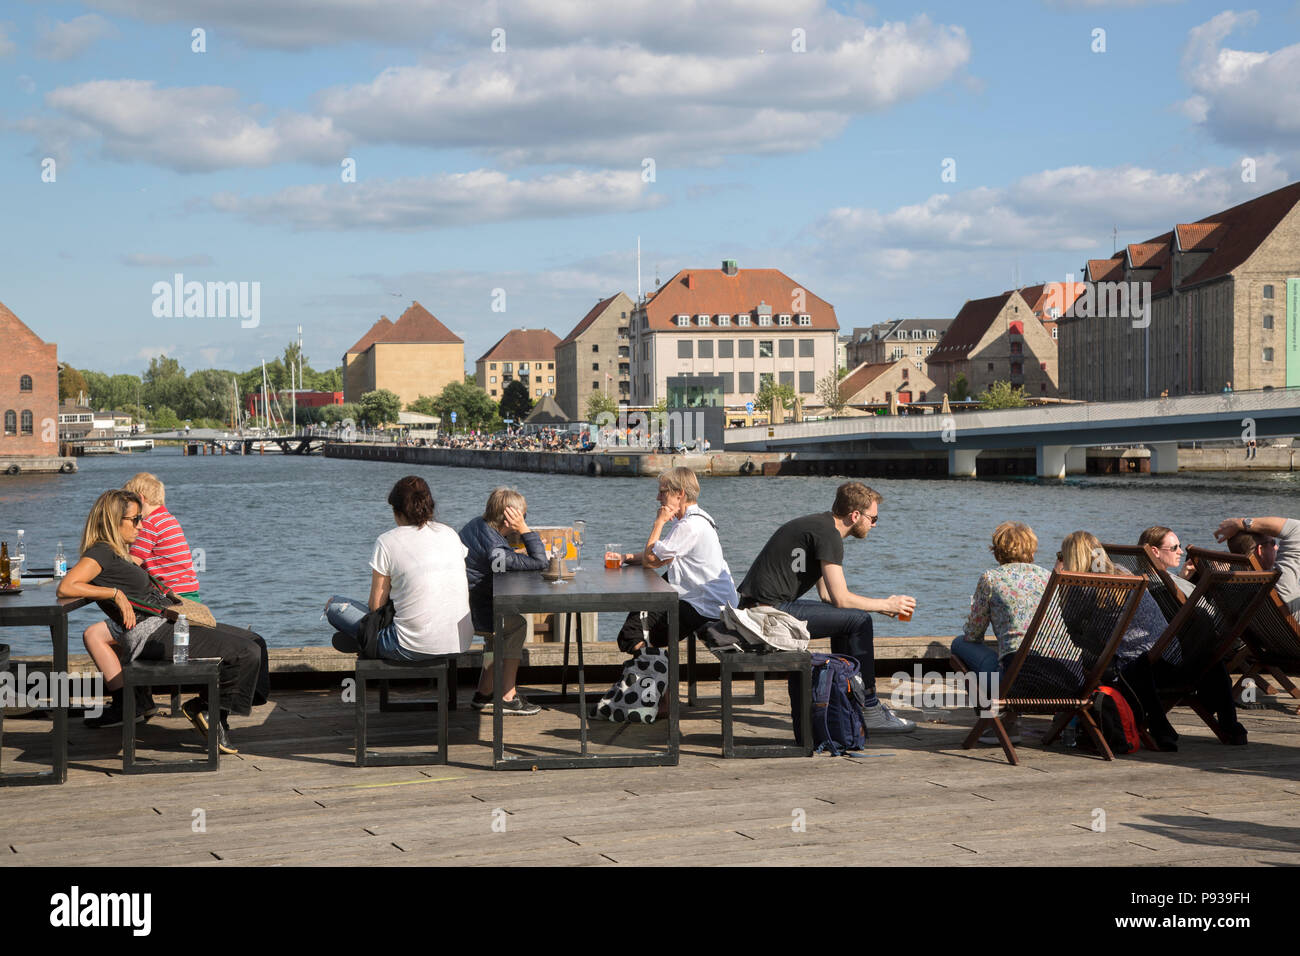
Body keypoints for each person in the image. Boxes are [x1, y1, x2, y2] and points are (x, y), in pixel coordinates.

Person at [58, 489, 264, 753]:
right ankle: (208, 711)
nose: (141, 526)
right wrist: (113, 593)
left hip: (166, 622)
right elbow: (67, 586)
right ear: (113, 520)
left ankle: (214, 711)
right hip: (152, 634)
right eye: (135, 520)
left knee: (256, 642)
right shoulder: (100, 552)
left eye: (141, 519)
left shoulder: (116, 551)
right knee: (247, 652)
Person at [736, 481, 916, 732]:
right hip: (764, 614)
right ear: (855, 515)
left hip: (758, 607)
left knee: (851, 619)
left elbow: (829, 597)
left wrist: (877, 606)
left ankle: (852, 701)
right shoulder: (829, 534)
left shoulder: (819, 527)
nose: (874, 524)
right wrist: (885, 603)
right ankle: (870, 707)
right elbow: (841, 598)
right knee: (859, 621)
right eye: (873, 518)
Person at [327, 476, 474, 664]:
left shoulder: (387, 541)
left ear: (397, 511)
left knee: (334, 607)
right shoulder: (450, 533)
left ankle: (363, 642)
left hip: (409, 646)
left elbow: (376, 606)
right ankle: (364, 642)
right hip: (459, 643)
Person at [614, 467, 737, 654]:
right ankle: (651, 670)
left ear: (680, 494)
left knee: (633, 635)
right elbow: (660, 553)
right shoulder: (698, 518)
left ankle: (655, 673)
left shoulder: (689, 526)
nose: (658, 498)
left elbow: (650, 561)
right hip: (708, 598)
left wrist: (659, 522)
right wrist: (626, 558)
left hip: (706, 605)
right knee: (639, 622)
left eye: (662, 492)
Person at [949, 522, 1050, 743]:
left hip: (1017, 680)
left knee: (959, 645)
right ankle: (1009, 720)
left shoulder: (991, 578)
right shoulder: (1048, 577)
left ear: (997, 551)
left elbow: (973, 634)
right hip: (1058, 678)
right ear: (1032, 550)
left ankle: (995, 722)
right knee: (1009, 657)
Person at [459, 487, 548, 715]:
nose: (524, 520)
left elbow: (502, 562)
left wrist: (517, 552)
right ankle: (508, 696)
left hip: (465, 602)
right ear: (511, 518)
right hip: (474, 611)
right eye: (523, 516)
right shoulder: (496, 546)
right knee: (516, 625)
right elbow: (540, 561)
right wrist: (525, 530)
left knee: (499, 630)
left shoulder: (478, 524)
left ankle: (484, 692)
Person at [1215, 516, 1300, 617]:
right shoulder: (1281, 585)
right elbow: (1297, 529)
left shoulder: (1229, 591)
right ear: (1260, 550)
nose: (1276, 547)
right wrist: (1241, 523)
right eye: (1273, 543)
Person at [1138, 525, 1195, 597]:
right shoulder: (1160, 585)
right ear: (1155, 552)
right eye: (1174, 548)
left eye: (1179, 546)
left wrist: (1181, 578)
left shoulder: (1137, 578)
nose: (1181, 552)